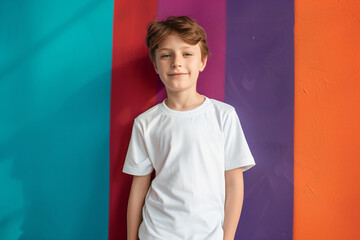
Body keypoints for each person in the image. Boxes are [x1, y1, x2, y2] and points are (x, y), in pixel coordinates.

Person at [122, 16, 256, 240]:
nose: (177, 62)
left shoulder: (224, 116)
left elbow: (234, 183)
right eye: (166, 55)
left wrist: (228, 236)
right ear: (155, 65)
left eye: (187, 54)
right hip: (155, 234)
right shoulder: (145, 123)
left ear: (202, 61)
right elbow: (138, 187)